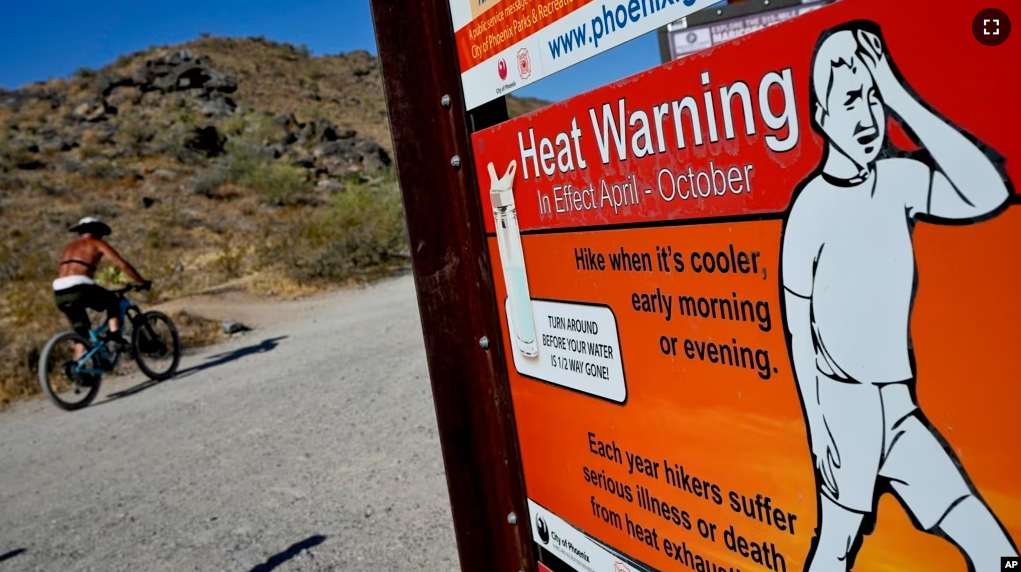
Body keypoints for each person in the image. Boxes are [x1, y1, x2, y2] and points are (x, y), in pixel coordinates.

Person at [779, 20, 1018, 572]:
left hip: (899, 410)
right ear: (821, 116)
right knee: (835, 551)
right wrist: (821, 434)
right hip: (846, 412)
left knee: (994, 548)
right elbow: (799, 331)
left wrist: (899, 96)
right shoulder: (809, 210)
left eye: (871, 99)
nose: (866, 118)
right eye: (849, 101)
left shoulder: (899, 182)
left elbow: (988, 191)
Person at [53, 217, 151, 365]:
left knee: (82, 333)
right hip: (79, 287)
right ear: (96, 230)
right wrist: (141, 281)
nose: (102, 236)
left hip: (59, 291)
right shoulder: (97, 243)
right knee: (113, 301)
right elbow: (122, 265)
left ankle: (78, 366)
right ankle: (115, 338)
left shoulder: (70, 247)